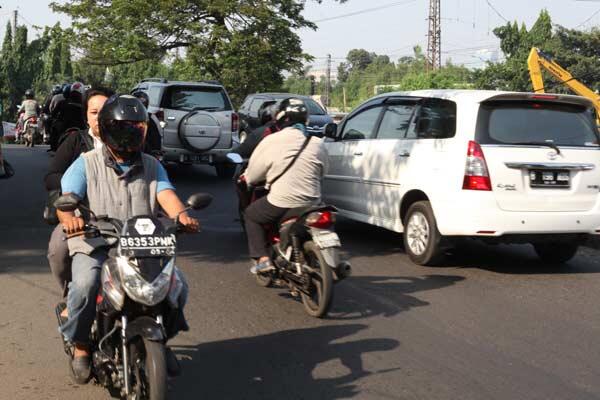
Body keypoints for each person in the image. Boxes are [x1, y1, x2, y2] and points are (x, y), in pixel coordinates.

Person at [57, 94, 197, 383]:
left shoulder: (152, 165)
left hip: (142, 245)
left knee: (176, 286)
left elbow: (166, 195)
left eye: (137, 129)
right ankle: (81, 345)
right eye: (125, 129)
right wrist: (71, 220)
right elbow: (66, 201)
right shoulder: (86, 164)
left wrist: (182, 216)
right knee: (85, 284)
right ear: (109, 130)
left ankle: (161, 337)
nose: (131, 135)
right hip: (97, 242)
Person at [242, 98, 329, 273]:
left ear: (281, 119)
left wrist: (248, 179)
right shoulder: (317, 143)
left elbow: (253, 175)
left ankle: (264, 259)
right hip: (313, 202)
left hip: (282, 201)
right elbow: (324, 172)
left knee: (251, 215)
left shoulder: (271, 140)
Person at [45, 86, 115, 293]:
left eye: (105, 112)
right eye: (94, 112)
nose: (99, 118)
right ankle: (71, 294)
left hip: (125, 216)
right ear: (85, 116)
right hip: (81, 215)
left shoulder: (134, 144)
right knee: (58, 250)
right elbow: (51, 177)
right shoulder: (76, 141)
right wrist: (77, 189)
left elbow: (156, 183)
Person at [51, 82, 86, 150]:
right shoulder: (84, 105)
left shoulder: (62, 102)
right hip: (79, 126)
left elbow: (53, 113)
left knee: (54, 128)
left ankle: (54, 148)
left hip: (64, 125)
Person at [132, 90, 162, 155]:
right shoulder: (126, 117)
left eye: (143, 104)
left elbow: (158, 138)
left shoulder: (151, 118)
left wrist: (155, 152)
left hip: (147, 153)